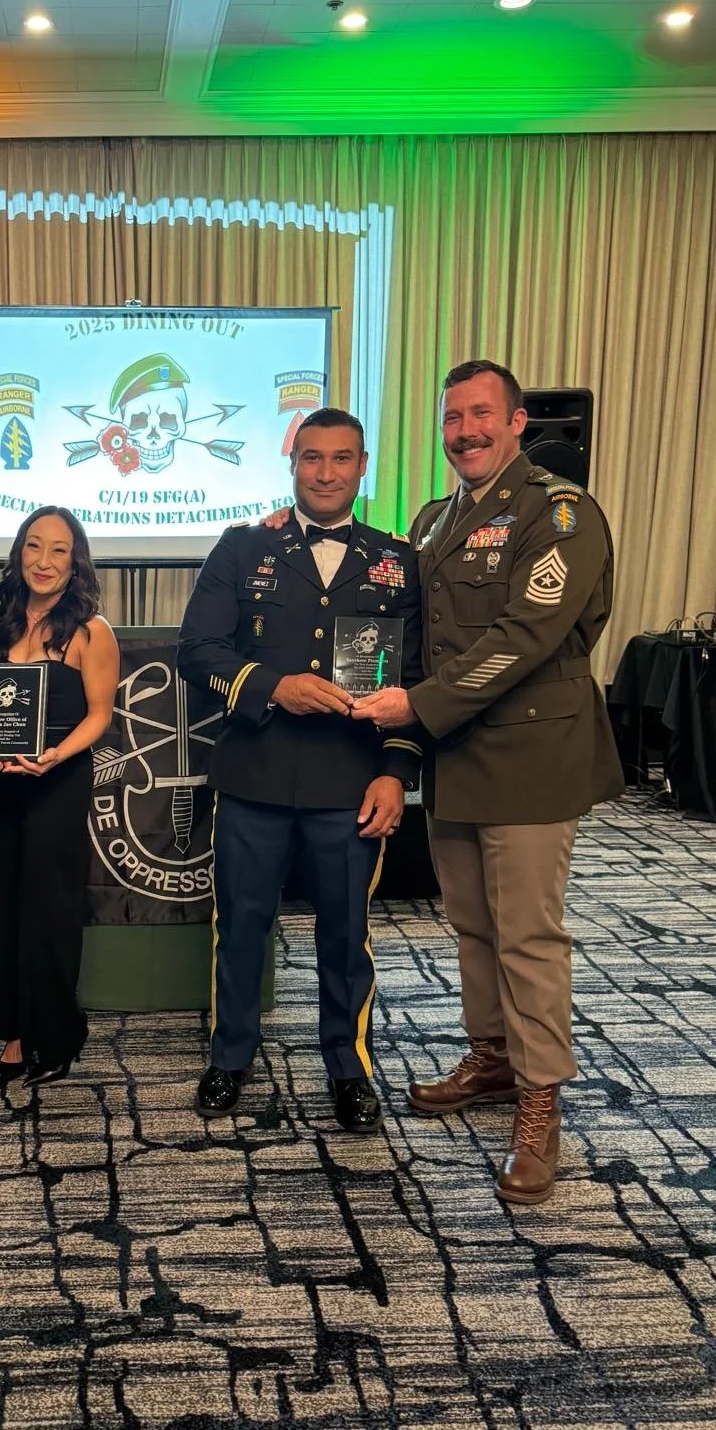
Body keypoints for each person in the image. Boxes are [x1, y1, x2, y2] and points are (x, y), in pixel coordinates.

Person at [353, 359, 624, 1205]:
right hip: (458, 752)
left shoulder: (561, 513)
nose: (463, 432)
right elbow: (402, 606)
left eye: (479, 416)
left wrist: (419, 704)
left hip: (528, 756)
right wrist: (277, 533)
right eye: (450, 420)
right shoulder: (438, 519)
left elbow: (527, 635)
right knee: (471, 923)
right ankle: (495, 1058)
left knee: (529, 935)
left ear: (515, 423)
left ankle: (540, 1104)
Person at [177, 408, 424, 1129]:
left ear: (363, 464)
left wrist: (395, 773)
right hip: (255, 775)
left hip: (351, 784)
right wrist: (270, 686)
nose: (325, 472)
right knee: (242, 928)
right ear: (293, 463)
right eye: (311, 458)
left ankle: (349, 1068)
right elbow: (198, 652)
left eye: (341, 458)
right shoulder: (242, 547)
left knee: (347, 936)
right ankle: (230, 1057)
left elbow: (414, 678)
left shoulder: (396, 560)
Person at [0, 507, 119, 1089]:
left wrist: (55, 756)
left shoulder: (91, 631)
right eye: (34, 547)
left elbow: (100, 717)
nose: (44, 561)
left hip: (56, 782)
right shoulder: (0, 622)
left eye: (59, 550)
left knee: (49, 908)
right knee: (2, 900)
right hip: (1, 783)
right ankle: (13, 1029)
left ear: (75, 560)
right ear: (19, 553)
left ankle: (54, 1031)